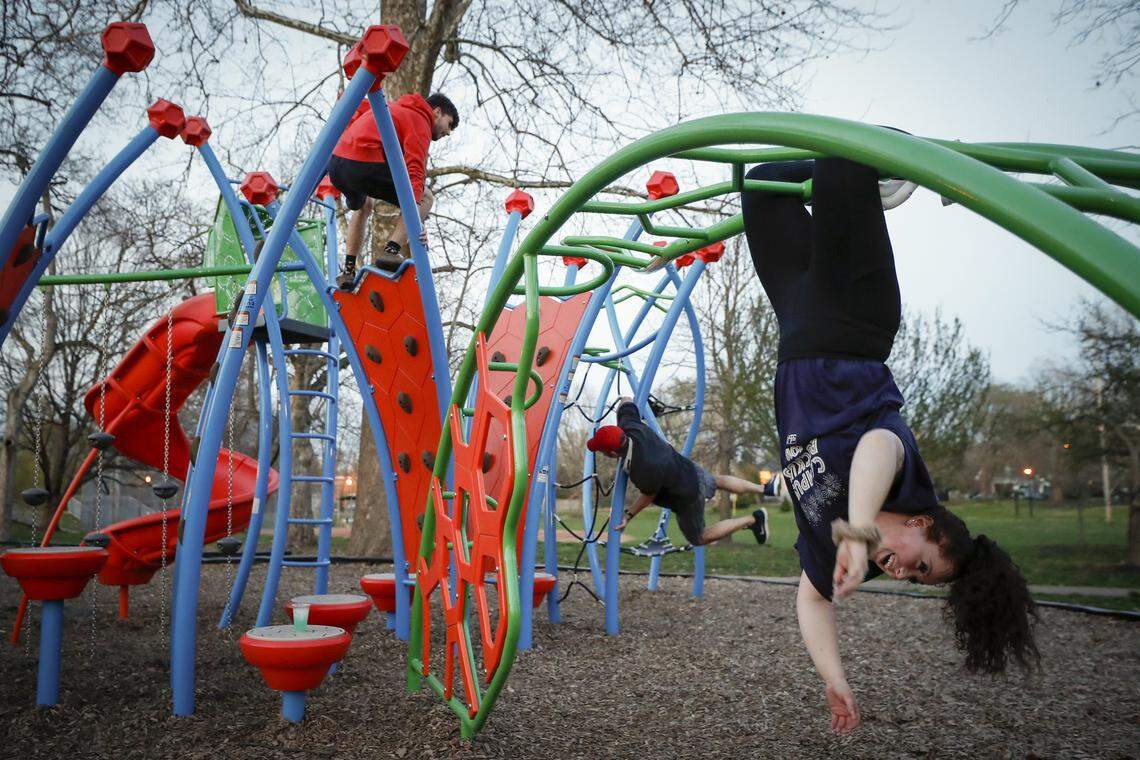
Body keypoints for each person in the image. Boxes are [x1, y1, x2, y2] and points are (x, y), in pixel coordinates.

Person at [740, 156, 1038, 734]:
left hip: (798, 331)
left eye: (914, 580)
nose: (900, 574)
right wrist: (856, 534)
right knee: (842, 162)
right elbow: (877, 443)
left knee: (761, 181)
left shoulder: (856, 558)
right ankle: (885, 173)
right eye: (920, 566)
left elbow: (813, 600)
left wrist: (835, 680)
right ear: (923, 524)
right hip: (857, 321)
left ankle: (864, 182)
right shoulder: (905, 481)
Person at [588, 398, 769, 546]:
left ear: (612, 453)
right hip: (690, 470)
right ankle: (763, 489)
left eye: (602, 451)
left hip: (687, 498)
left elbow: (648, 496)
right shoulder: (630, 426)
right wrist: (640, 408)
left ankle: (752, 520)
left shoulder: (643, 468)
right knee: (718, 481)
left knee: (700, 537)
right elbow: (626, 400)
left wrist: (628, 515)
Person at [327, 92, 459, 288]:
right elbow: (415, 169)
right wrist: (415, 221)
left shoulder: (393, 108)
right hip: (362, 163)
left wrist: (344, 99)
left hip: (337, 165)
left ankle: (348, 271)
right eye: (449, 125)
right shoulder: (420, 118)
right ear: (437, 112)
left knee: (364, 205)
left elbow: (360, 109)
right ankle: (391, 250)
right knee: (426, 197)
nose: (447, 133)